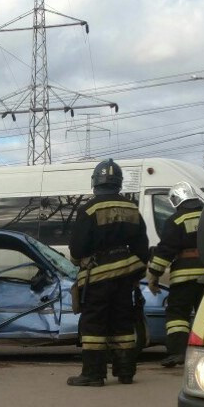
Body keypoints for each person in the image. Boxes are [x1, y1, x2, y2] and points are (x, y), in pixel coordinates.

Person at [67, 159, 150, 386]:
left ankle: (93, 374)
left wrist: (80, 262)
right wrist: (130, 272)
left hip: (98, 279)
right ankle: (125, 372)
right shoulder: (132, 208)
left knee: (94, 324)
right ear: (119, 183)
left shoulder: (89, 209)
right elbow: (143, 249)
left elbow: (77, 249)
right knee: (123, 323)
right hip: (125, 279)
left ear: (95, 183)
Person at [147, 183, 204, 367]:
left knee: (177, 314)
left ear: (175, 201)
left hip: (184, 277)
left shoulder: (176, 221)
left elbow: (166, 250)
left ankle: (178, 352)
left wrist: (154, 275)